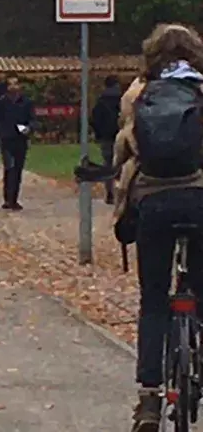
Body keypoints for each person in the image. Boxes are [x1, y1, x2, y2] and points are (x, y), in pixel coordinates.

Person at [111, 24, 203, 432]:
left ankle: (149, 400)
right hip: (199, 200)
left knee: (153, 301)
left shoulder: (138, 94)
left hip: (153, 203)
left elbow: (123, 149)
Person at [0, 76, 34, 211]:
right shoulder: (2, 102)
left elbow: (32, 119)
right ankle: (7, 198)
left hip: (20, 139)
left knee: (17, 169)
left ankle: (14, 198)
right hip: (7, 139)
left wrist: (29, 128)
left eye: (15, 84)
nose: (13, 87)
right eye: (10, 84)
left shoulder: (26, 102)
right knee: (9, 168)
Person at [91, 74, 122, 204]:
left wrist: (99, 134)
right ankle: (122, 191)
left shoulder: (101, 101)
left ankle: (110, 192)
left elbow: (94, 119)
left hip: (106, 137)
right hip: (120, 135)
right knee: (123, 163)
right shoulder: (122, 99)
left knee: (108, 163)